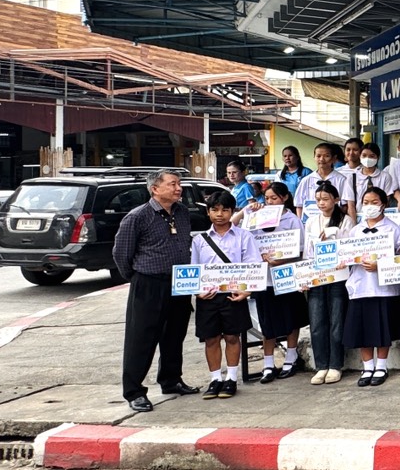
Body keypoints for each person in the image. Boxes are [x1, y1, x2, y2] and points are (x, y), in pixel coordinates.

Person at [111, 169, 200, 412]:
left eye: (179, 184)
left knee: (175, 335)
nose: (178, 188)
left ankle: (171, 380)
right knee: (141, 338)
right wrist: (137, 277)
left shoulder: (182, 212)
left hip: (179, 282)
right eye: (172, 184)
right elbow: (121, 254)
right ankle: (134, 391)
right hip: (149, 283)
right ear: (155, 189)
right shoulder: (137, 217)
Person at [190, 190, 260, 400]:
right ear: (208, 212)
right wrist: (197, 292)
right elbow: (194, 269)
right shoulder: (200, 240)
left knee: (232, 336)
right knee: (211, 339)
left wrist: (246, 291)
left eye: (225, 210)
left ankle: (231, 378)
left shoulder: (244, 236)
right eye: (215, 210)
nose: (220, 214)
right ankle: (215, 379)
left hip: (233, 294)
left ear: (232, 211)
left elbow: (253, 265)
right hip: (208, 296)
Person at [345, 186, 400, 387]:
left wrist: (381, 265)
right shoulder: (355, 231)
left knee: (382, 329)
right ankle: (367, 367)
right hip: (360, 286)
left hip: (383, 288)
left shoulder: (393, 229)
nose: (369, 206)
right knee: (363, 329)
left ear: (384, 205)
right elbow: (346, 256)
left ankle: (381, 366)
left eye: (374, 202)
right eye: (366, 203)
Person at [251, 181, 306, 383]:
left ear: (285, 198)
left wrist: (279, 260)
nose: (270, 202)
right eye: (267, 198)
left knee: (291, 319)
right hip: (265, 279)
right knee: (267, 323)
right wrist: (250, 212)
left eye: (274, 198)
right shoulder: (258, 218)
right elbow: (249, 241)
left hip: (286, 277)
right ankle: (268, 363)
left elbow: (299, 250)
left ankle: (291, 357)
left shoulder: (292, 220)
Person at [302, 180, 352, 385]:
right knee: (317, 322)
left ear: (336, 199)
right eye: (318, 200)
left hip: (338, 276)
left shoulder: (345, 221)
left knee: (336, 322)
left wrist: (334, 238)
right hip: (317, 277)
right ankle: (321, 365)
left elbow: (350, 247)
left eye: (325, 199)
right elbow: (307, 253)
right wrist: (304, 277)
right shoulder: (311, 222)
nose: (321, 203)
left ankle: (335, 365)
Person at [294, 142, 349, 217]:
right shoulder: (306, 180)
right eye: (318, 156)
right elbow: (299, 205)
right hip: (311, 221)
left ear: (334, 158)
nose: (322, 159)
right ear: (314, 157)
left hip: (334, 220)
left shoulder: (342, 180)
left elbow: (345, 205)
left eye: (326, 156)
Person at [346, 142, 397, 221]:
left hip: (379, 217)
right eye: (364, 155)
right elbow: (351, 206)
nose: (367, 159)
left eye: (372, 156)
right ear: (360, 156)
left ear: (378, 157)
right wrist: (354, 224)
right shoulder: (352, 177)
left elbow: (386, 201)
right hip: (359, 217)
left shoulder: (385, 177)